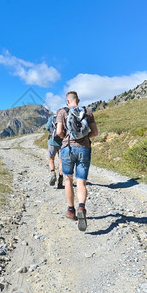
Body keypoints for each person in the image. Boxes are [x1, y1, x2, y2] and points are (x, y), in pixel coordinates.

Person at [56, 91, 98, 231]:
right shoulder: (87, 112)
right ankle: (81, 207)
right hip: (84, 148)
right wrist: (85, 138)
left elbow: (59, 132)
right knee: (81, 181)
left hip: (68, 148)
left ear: (68, 101)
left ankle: (71, 210)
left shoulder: (62, 112)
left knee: (68, 179)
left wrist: (65, 137)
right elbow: (95, 132)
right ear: (78, 100)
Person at [46, 113, 64, 189]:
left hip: (52, 142)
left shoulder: (51, 118)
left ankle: (53, 173)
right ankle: (60, 180)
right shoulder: (64, 118)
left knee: (51, 159)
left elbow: (47, 127)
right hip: (62, 142)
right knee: (61, 161)